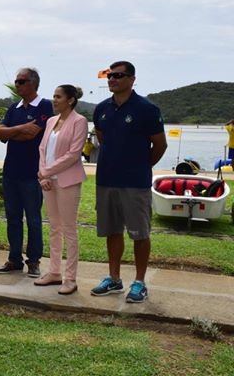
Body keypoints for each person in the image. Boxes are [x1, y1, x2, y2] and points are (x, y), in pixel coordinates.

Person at [90, 61, 167, 303]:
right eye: (110, 76)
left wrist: (142, 166)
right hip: (106, 181)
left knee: (139, 233)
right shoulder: (101, 109)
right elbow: (102, 139)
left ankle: (139, 282)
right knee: (112, 231)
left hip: (135, 183)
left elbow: (160, 145)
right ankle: (114, 278)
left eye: (118, 76)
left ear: (132, 79)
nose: (112, 79)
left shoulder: (147, 109)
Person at [0, 68, 54, 277]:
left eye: (21, 81)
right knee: (12, 218)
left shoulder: (45, 106)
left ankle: (34, 261)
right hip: (11, 172)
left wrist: (10, 132)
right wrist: (17, 130)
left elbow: (32, 134)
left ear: (33, 84)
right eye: (16, 81)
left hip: (32, 173)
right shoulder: (14, 108)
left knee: (34, 219)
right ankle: (14, 259)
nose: (17, 84)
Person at [34, 85, 88, 295]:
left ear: (70, 100)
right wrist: (43, 175)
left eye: (58, 97)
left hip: (67, 181)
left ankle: (70, 278)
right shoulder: (50, 121)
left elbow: (74, 154)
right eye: (53, 96)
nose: (54, 100)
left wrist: (46, 171)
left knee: (69, 229)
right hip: (48, 181)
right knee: (54, 227)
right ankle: (54, 272)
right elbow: (42, 149)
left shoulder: (80, 121)